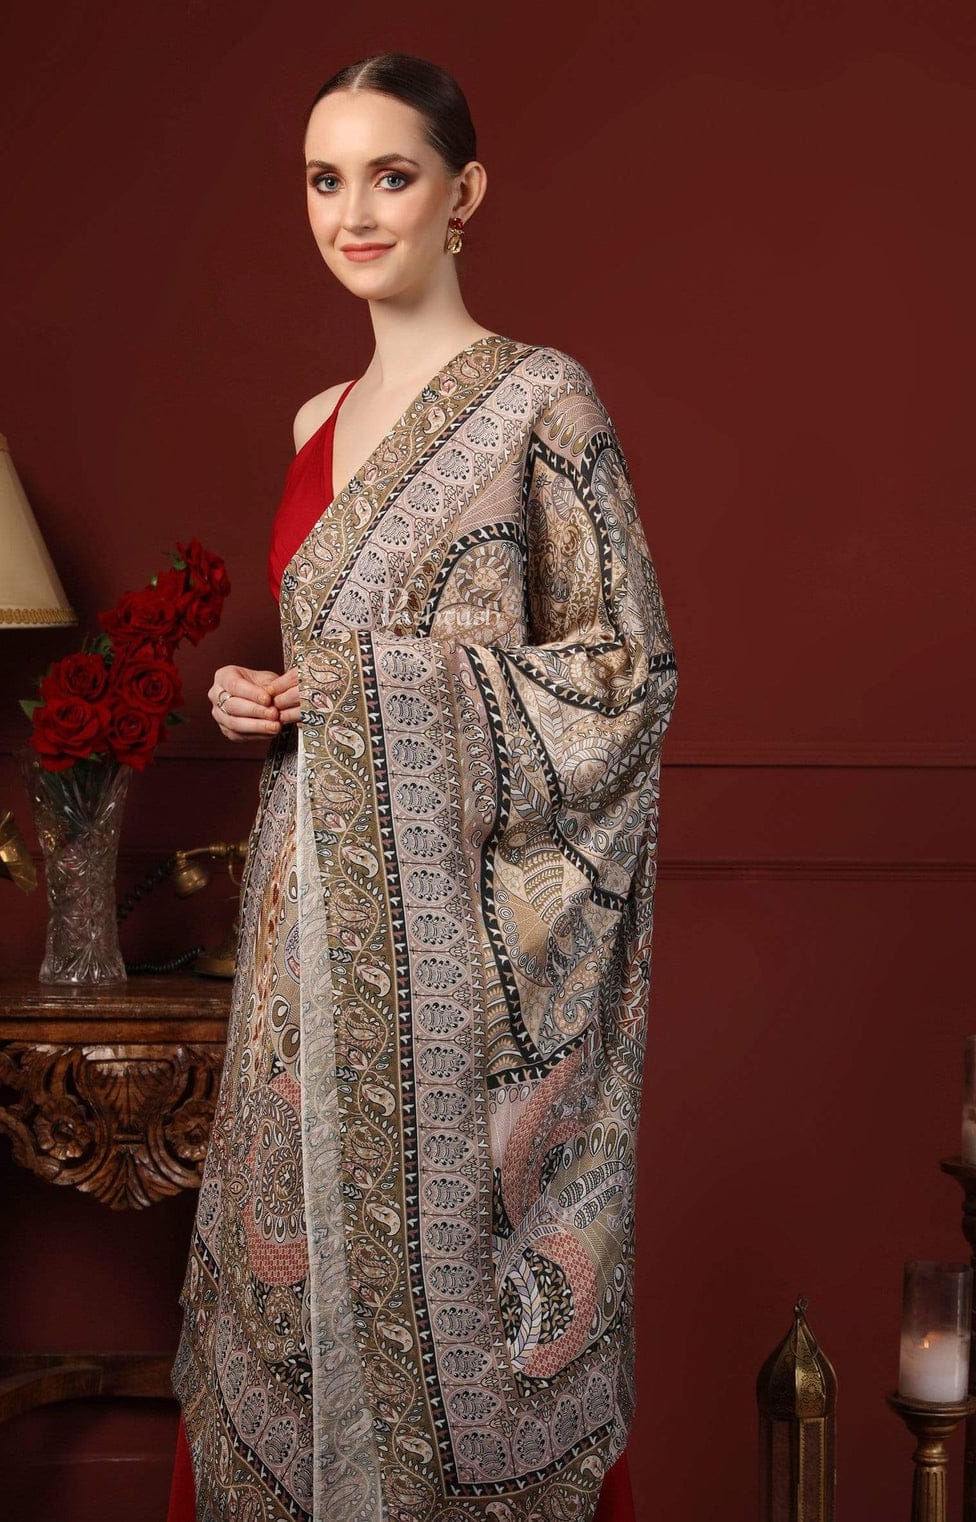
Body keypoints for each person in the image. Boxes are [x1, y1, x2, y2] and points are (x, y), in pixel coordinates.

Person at [167, 51, 678, 1522]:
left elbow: (625, 673)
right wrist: (263, 698)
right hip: (302, 949)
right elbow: (319, 679)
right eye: (324, 180)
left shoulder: (540, 403)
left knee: (453, 1323)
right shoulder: (313, 421)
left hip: (466, 974)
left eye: (390, 175)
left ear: (465, 192)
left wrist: (358, 689)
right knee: (284, 1290)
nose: (354, 212)